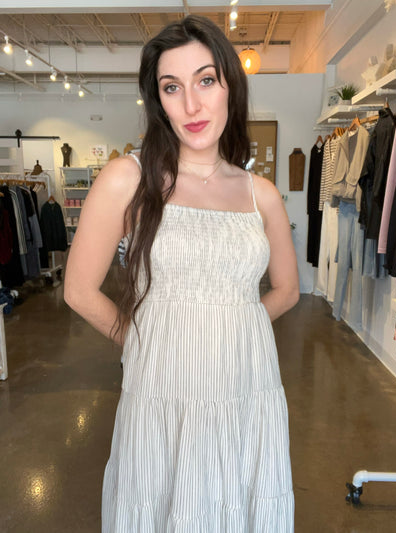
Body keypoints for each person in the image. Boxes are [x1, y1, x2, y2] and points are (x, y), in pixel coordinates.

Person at [64, 14, 299, 532]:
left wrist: (231, 330)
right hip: (162, 391)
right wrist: (142, 338)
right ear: (158, 101)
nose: (191, 105)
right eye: (172, 87)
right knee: (162, 505)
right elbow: (79, 290)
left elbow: (286, 289)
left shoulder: (260, 194)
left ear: (230, 87)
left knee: (239, 506)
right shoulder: (129, 178)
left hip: (246, 390)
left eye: (205, 80)